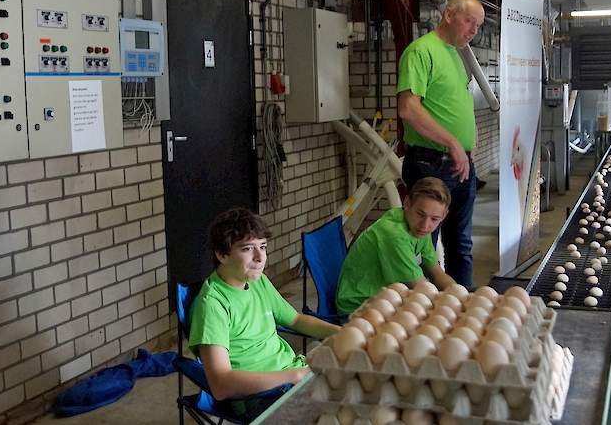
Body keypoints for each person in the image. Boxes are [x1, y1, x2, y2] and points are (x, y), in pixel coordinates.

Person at [188, 208, 340, 418]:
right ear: (221, 254)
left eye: (263, 247)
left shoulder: (257, 282)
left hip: (294, 375)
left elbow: (295, 319)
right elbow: (221, 385)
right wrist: (293, 376)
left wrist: (342, 332)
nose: (260, 258)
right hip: (261, 397)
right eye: (247, 249)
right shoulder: (212, 304)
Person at [398, 0, 485, 288]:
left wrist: (468, 140)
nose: (474, 30)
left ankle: (464, 308)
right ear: (449, 15)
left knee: (460, 244)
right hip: (431, 163)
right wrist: (452, 142)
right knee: (423, 244)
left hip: (460, 164)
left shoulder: (455, 55)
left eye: (478, 25)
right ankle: (422, 314)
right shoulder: (421, 51)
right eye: (469, 21)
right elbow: (408, 108)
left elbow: (449, 105)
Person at [335, 177, 458, 314]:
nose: (425, 225)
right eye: (420, 214)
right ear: (407, 203)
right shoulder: (394, 235)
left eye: (434, 219)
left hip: (387, 300)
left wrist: (459, 294)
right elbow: (422, 288)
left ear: (444, 215)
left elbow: (437, 274)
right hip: (359, 309)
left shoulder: (417, 228)